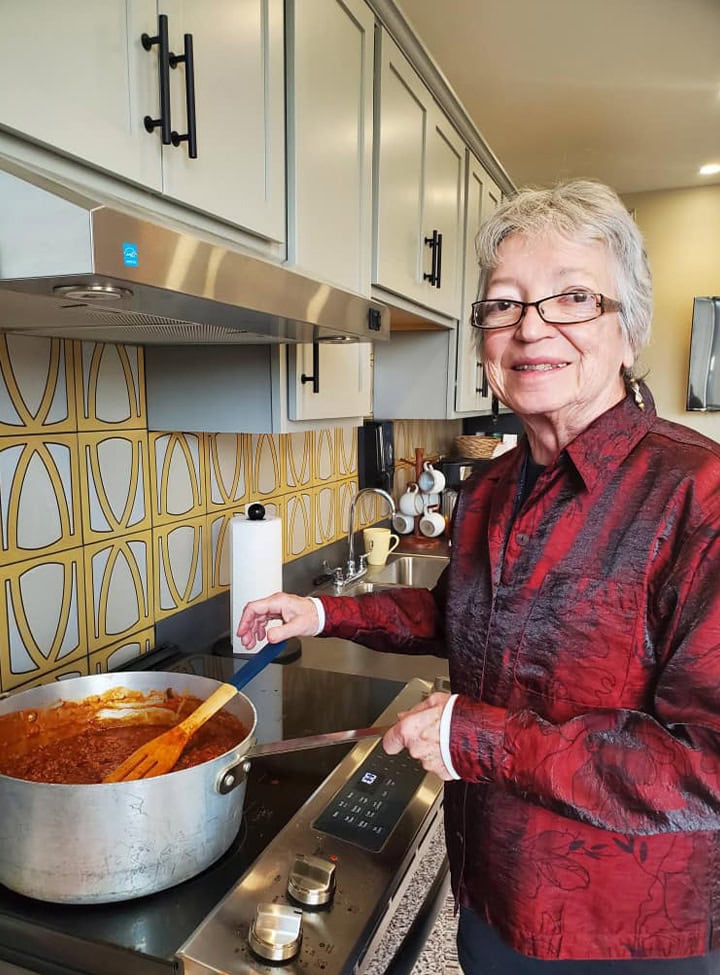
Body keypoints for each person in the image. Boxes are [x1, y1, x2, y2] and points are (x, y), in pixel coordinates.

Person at [237, 179, 720, 973]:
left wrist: (476, 735)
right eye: (503, 304)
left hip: (623, 932)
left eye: (571, 298)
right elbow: (455, 611)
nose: (532, 329)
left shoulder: (698, 496)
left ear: (629, 331)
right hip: (491, 893)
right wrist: (322, 614)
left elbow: (706, 762)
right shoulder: (494, 485)